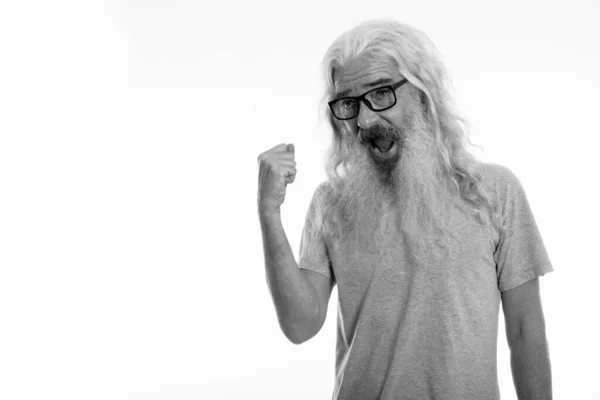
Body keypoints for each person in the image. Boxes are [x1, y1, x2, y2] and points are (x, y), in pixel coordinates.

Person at [257, 19, 554, 400]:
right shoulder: (330, 203)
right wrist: (269, 212)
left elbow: (525, 329)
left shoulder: (495, 192)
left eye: (381, 94)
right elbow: (300, 325)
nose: (364, 120)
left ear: (422, 93)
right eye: (349, 103)